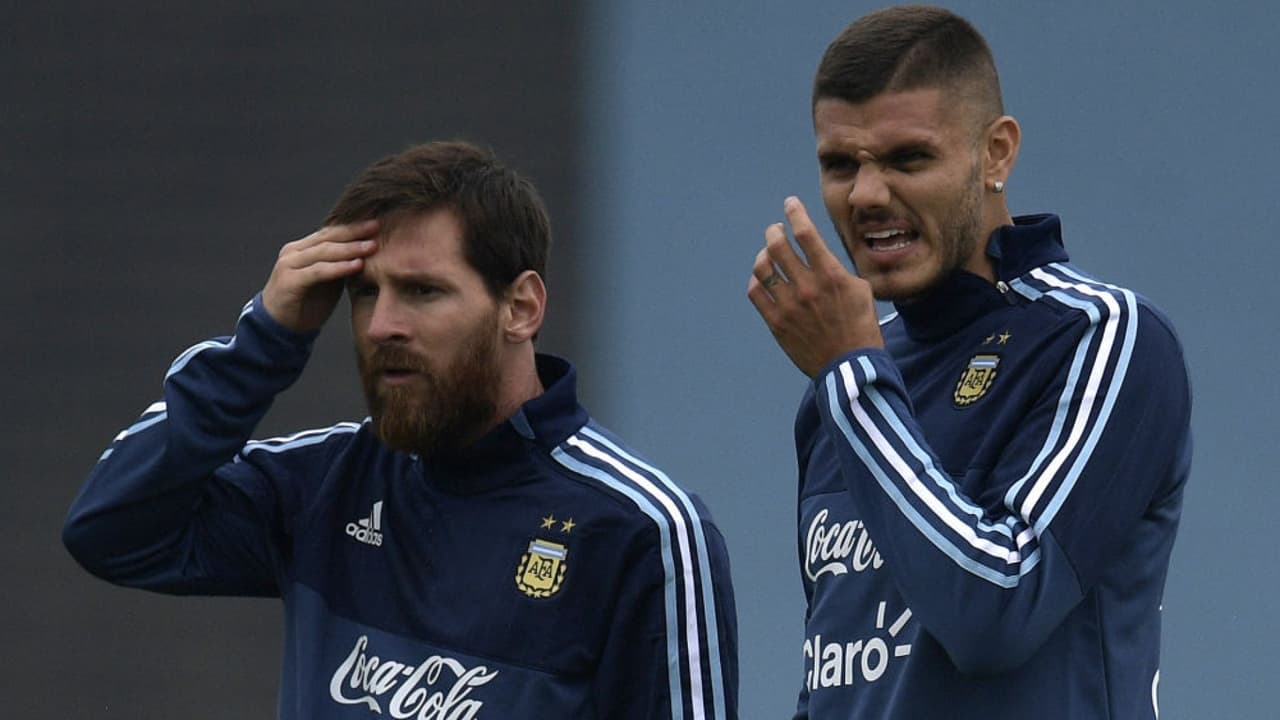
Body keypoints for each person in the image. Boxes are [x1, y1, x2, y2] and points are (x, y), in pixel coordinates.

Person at [65, 140, 738, 720]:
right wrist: (264, 341)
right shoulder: (328, 484)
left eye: (422, 291)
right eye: (365, 292)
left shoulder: (643, 530)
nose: (383, 325)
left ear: (521, 307)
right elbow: (111, 530)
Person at [746, 6, 1191, 719]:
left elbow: (997, 612)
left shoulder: (1102, 337)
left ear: (996, 154)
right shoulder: (852, 375)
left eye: (908, 159)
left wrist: (852, 381)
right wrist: (851, 378)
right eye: (840, 165)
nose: (866, 196)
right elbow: (838, 672)